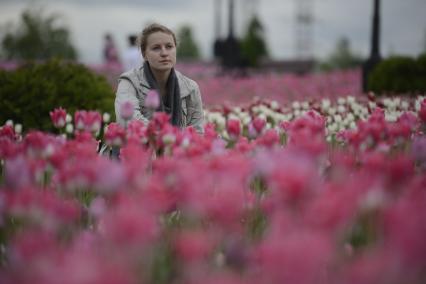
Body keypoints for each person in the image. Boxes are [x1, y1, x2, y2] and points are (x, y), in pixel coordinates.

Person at [114, 23, 204, 134]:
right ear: (144, 54)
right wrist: (166, 137)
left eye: (169, 47)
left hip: (178, 149)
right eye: (156, 48)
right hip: (139, 147)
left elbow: (198, 132)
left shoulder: (190, 88)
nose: (164, 53)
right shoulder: (129, 82)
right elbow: (127, 121)